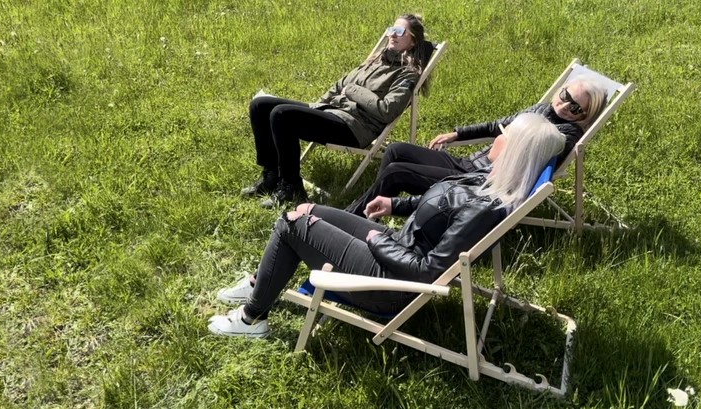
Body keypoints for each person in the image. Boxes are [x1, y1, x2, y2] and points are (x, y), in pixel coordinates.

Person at [208, 114, 565, 337]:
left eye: (504, 133)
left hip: (390, 282)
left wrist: (377, 240)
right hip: (398, 248)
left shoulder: (485, 208)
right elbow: (444, 205)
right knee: (308, 208)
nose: (496, 135)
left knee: (292, 224)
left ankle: (251, 319)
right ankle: (260, 284)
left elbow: (428, 272)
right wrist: (396, 204)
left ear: (514, 150)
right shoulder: (489, 179)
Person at [343, 77, 606, 216]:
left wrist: (505, 141)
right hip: (468, 163)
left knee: (396, 172)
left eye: (576, 108)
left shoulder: (565, 134)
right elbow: (497, 126)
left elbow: (517, 165)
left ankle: (358, 215)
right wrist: (456, 134)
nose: (565, 106)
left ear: (586, 116)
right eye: (565, 96)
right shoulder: (543, 108)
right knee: (396, 150)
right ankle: (372, 206)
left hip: (478, 180)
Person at [241, 14, 433, 205]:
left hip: (355, 126)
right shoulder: (377, 60)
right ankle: (272, 175)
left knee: (282, 115)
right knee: (260, 105)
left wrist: (353, 91)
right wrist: (317, 107)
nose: (393, 34)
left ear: (413, 41)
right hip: (332, 111)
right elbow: (340, 85)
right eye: (392, 29)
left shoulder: (407, 73)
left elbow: (387, 110)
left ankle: (291, 188)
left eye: (400, 31)